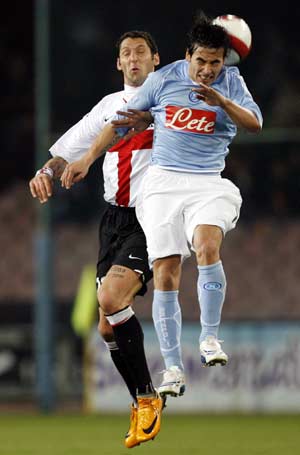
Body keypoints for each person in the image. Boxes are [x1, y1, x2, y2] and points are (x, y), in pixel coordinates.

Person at [60, 11, 262, 398]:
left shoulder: (231, 82)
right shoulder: (163, 79)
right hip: (163, 186)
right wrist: (85, 159)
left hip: (208, 184)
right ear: (187, 56)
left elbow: (254, 123)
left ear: (224, 61)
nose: (206, 70)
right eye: (200, 61)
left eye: (214, 63)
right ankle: (172, 368)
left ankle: (209, 339)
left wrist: (221, 100)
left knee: (207, 245)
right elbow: (120, 121)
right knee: (166, 272)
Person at [29, 30, 164, 449]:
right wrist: (46, 172)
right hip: (113, 221)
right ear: (119, 64)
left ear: (156, 60)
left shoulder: (168, 102)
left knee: (110, 300)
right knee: (106, 329)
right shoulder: (108, 108)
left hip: (152, 217)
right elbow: (66, 150)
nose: (134, 57)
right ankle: (142, 398)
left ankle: (147, 398)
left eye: (141, 51)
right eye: (126, 53)